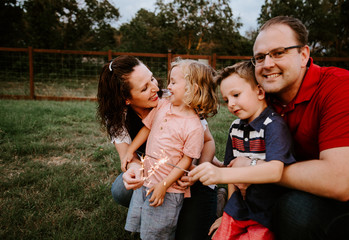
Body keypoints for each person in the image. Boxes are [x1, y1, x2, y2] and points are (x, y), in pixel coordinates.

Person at [231, 16, 349, 239]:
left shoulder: (339, 87)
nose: (267, 64)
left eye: (278, 53)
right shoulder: (265, 99)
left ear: (303, 55)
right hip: (301, 185)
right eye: (260, 57)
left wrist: (255, 168)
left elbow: (340, 180)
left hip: (341, 198)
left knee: (296, 210)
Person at [97, 55, 219, 239]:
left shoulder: (176, 99)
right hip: (157, 172)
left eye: (152, 78)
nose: (156, 87)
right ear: (126, 99)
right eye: (145, 88)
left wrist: (198, 171)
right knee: (121, 189)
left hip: (188, 174)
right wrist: (135, 170)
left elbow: (208, 141)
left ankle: (216, 200)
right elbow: (128, 158)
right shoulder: (118, 117)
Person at [189, 61, 296, 239]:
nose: (230, 104)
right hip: (238, 207)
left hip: (265, 211)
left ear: (260, 92)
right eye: (226, 100)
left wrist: (220, 175)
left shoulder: (273, 126)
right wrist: (228, 212)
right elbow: (232, 171)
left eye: (236, 95)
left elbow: (275, 171)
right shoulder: (235, 127)